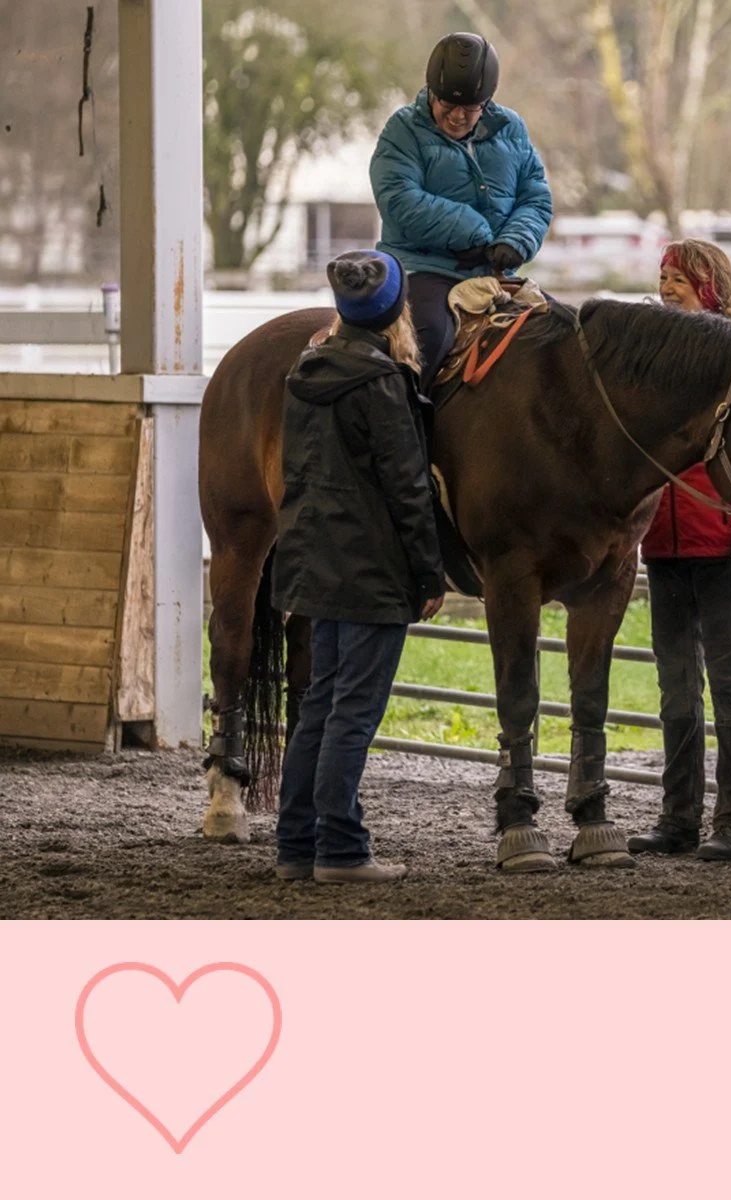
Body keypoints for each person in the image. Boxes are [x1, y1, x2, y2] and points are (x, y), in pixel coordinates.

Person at [273, 249, 445, 884]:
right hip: (371, 568)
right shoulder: (380, 382)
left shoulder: (308, 370)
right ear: (396, 309)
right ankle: (342, 850)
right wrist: (429, 574)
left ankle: (296, 846)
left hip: (314, 560)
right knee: (352, 712)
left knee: (320, 706)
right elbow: (406, 487)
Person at [627, 239, 731, 862]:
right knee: (676, 689)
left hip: (726, 545)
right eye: (661, 276)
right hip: (665, 543)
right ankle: (678, 819)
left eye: (678, 277)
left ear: (710, 284)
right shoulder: (651, 359)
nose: (666, 286)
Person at [369, 32, 553, 394]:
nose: (456, 117)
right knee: (430, 337)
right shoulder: (402, 130)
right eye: (447, 105)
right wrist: (475, 234)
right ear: (431, 93)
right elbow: (399, 198)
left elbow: (535, 195)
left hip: (497, 272)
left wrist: (516, 240)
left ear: (487, 102)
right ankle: (401, 431)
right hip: (423, 268)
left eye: (469, 108)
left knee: (559, 329)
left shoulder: (512, 128)